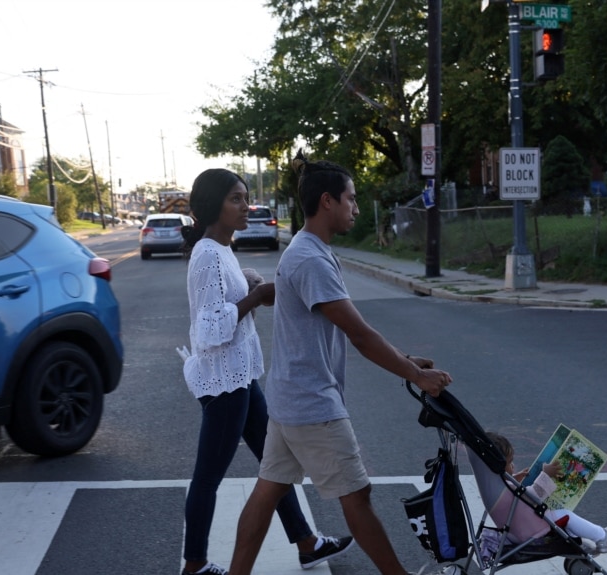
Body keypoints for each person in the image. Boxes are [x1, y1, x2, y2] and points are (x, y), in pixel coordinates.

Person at [228, 156, 453, 575]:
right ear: (327, 201)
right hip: (312, 405)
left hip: (289, 398)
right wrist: (415, 374)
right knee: (358, 495)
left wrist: (405, 360)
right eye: (350, 199)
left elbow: (350, 328)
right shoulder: (311, 258)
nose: (355, 207)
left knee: (267, 493)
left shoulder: (308, 250)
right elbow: (360, 333)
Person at [179, 168, 354, 575]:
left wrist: (251, 286)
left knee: (275, 464)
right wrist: (256, 295)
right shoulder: (207, 253)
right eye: (235, 199)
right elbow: (207, 330)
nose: (245, 206)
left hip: (241, 378)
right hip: (225, 383)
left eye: (244, 197)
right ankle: (194, 565)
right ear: (213, 206)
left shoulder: (222, 248)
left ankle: (307, 543)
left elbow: (225, 301)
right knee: (208, 477)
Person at [486, 431, 607, 554]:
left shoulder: (490, 481)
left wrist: (515, 478)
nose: (513, 466)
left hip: (515, 528)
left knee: (559, 516)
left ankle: (575, 543)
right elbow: (534, 496)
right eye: (510, 463)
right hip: (529, 530)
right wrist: (546, 474)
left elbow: (508, 489)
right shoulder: (502, 485)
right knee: (565, 516)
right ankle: (603, 537)